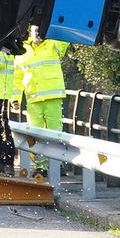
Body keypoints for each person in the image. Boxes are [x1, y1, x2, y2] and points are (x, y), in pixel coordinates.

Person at [15, 25, 70, 173]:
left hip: (52, 96)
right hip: (33, 97)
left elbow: (65, 39)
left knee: (54, 132)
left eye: (41, 30)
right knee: (35, 134)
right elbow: (18, 76)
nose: (38, 34)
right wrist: (15, 98)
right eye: (36, 31)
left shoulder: (53, 44)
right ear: (30, 33)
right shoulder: (23, 50)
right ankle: (41, 166)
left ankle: (56, 165)